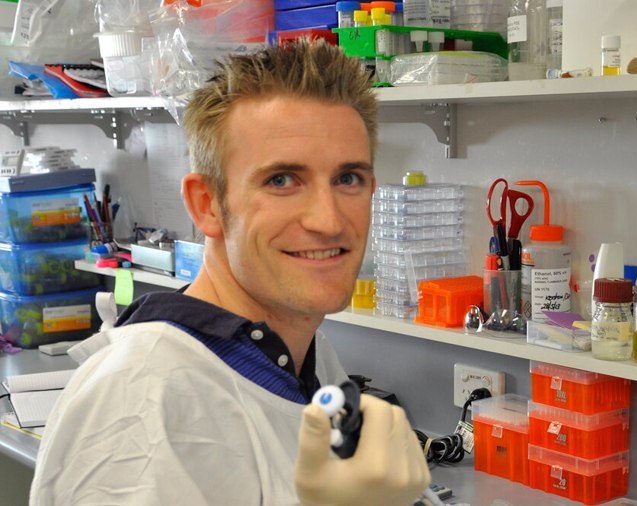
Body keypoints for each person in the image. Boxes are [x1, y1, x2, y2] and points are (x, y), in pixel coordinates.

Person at [30, 39, 430, 506]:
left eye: (348, 179)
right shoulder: (143, 398)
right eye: (282, 180)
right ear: (208, 205)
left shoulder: (304, 354)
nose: (329, 220)